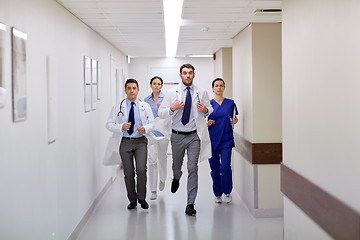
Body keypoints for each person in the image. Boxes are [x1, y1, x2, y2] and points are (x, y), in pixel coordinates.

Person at [158, 63, 213, 216]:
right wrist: (172, 108)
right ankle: (176, 177)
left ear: (194, 75)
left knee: (192, 168)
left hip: (194, 135)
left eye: (190, 73)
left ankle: (190, 203)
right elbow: (161, 113)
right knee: (177, 166)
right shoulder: (171, 93)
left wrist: (206, 110)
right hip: (177, 135)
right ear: (180, 75)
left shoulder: (201, 92)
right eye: (185, 73)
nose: (187, 75)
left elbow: (209, 108)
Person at [106, 78, 154, 210]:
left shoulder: (145, 106)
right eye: (129, 88)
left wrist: (145, 128)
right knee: (128, 173)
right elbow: (109, 124)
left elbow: (152, 123)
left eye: (134, 88)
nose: (132, 91)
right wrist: (121, 126)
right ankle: (132, 200)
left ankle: (142, 198)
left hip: (140, 142)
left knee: (141, 170)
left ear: (138, 90)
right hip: (125, 142)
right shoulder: (118, 107)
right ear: (125, 90)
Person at [207, 78, 238, 203]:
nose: (219, 87)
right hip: (212, 140)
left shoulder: (230, 103)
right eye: (216, 85)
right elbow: (200, 121)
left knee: (225, 167)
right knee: (215, 169)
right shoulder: (208, 105)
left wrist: (234, 122)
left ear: (224, 88)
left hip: (226, 139)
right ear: (213, 89)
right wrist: (206, 124)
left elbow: (233, 118)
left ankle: (227, 191)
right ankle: (218, 193)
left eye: (221, 85)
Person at [144, 76, 170, 200]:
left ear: (161, 86)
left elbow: (171, 115)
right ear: (150, 85)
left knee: (162, 158)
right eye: (154, 83)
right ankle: (153, 190)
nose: (156, 86)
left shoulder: (166, 99)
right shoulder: (145, 100)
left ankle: (163, 178)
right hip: (150, 134)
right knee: (152, 161)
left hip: (163, 133)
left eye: (159, 84)